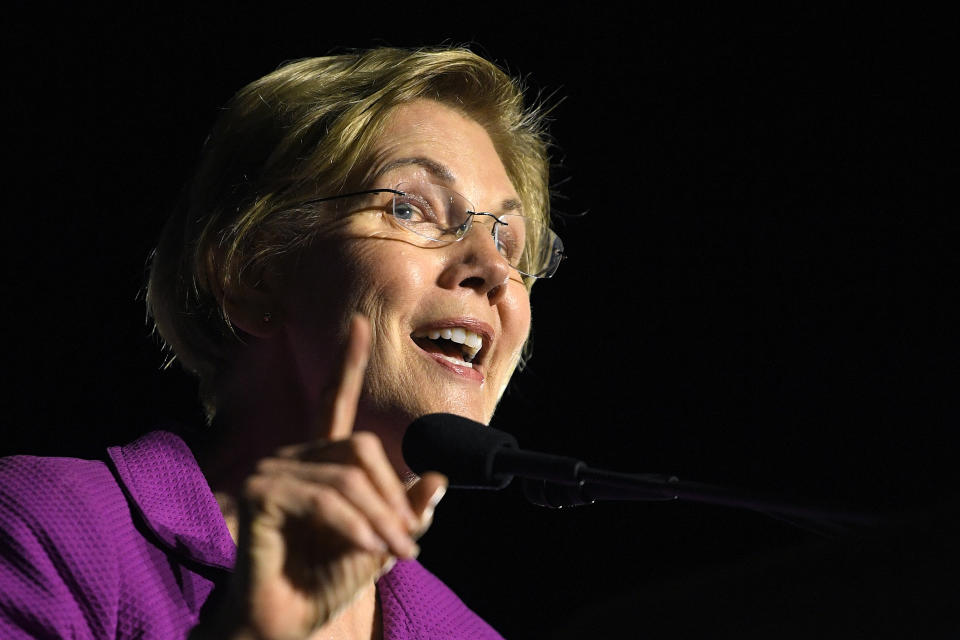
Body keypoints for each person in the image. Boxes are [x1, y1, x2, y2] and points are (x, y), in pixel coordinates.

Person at [0, 47, 563, 639]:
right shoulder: (52, 527)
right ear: (252, 273)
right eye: (409, 208)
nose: (493, 270)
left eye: (511, 245)